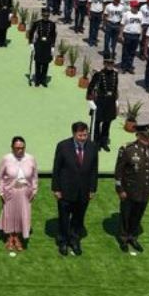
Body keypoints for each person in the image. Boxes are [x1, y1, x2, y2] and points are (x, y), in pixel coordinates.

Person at [51, 121, 98, 256]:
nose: (83, 137)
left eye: (85, 134)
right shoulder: (63, 146)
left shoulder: (93, 147)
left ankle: (75, 240)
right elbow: (57, 168)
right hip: (65, 190)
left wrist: (92, 189)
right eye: (80, 135)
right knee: (64, 218)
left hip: (83, 191)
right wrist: (56, 188)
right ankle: (63, 241)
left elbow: (94, 169)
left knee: (78, 218)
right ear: (73, 134)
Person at [114, 123, 149, 252]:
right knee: (126, 215)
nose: (147, 139)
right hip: (129, 190)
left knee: (138, 215)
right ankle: (123, 238)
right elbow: (119, 171)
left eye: (148, 136)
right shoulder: (128, 149)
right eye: (145, 137)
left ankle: (133, 237)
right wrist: (120, 189)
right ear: (138, 135)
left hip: (145, 190)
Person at [0, 136, 38, 251]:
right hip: (10, 191)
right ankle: (10, 237)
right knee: (9, 215)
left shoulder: (31, 158)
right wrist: (0, 192)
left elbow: (34, 176)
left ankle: (18, 238)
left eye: (22, 148)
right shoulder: (6, 159)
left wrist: (34, 190)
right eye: (17, 148)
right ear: (12, 147)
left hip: (25, 192)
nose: (19, 150)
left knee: (22, 215)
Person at [87, 52, 119, 151]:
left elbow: (115, 88)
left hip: (110, 102)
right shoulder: (99, 74)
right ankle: (96, 142)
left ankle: (103, 142)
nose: (110, 65)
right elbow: (91, 86)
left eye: (111, 63)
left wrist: (116, 101)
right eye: (108, 63)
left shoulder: (115, 74)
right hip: (100, 101)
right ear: (104, 63)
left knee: (107, 123)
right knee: (97, 123)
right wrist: (90, 99)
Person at [28, 7, 56, 87]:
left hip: (47, 45)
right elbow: (31, 32)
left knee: (45, 63)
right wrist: (31, 43)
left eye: (47, 16)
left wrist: (53, 46)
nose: (46, 17)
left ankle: (43, 80)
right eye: (44, 15)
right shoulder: (37, 23)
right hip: (39, 44)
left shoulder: (52, 24)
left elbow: (53, 35)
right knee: (38, 62)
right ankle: (37, 80)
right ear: (42, 15)